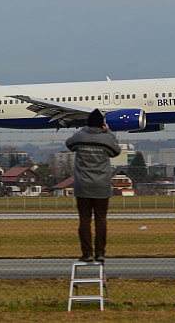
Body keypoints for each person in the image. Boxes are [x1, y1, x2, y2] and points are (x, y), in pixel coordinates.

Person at [66, 109, 121, 262]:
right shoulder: (106, 139)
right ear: (101, 125)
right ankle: (101, 253)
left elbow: (69, 144)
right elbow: (116, 150)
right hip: (102, 186)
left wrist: (85, 129)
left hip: (83, 185)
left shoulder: (80, 136)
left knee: (84, 221)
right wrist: (109, 131)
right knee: (101, 220)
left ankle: (87, 253)